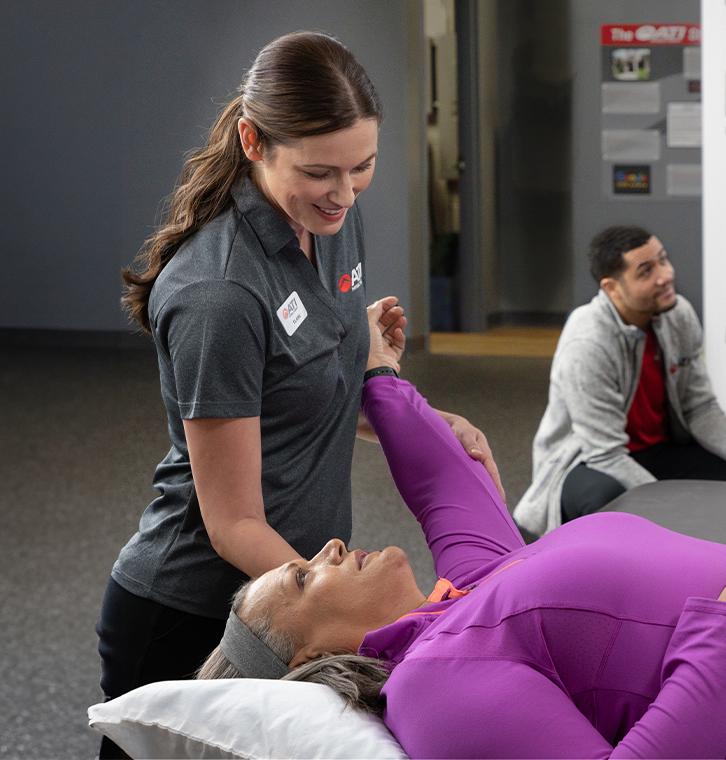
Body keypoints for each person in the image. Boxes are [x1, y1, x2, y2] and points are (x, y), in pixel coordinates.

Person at [96, 30, 500, 758]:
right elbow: (233, 522)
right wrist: (341, 613)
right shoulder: (219, 294)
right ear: (252, 141)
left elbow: (307, 393)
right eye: (321, 173)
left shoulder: (330, 222)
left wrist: (410, 406)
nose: (345, 193)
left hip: (291, 585)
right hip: (197, 607)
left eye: (364, 167)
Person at [198, 300, 726, 760]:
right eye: (304, 579)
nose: (328, 549)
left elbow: (442, 482)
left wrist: (377, 372)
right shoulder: (432, 687)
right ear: (310, 657)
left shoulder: (467, 594)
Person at [513, 225, 726, 537]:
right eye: (646, 271)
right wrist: (672, 505)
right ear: (612, 288)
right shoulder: (587, 343)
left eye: (663, 260)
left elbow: (701, 408)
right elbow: (605, 453)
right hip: (587, 460)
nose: (665, 275)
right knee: (608, 500)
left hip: (659, 448)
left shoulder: (678, 315)